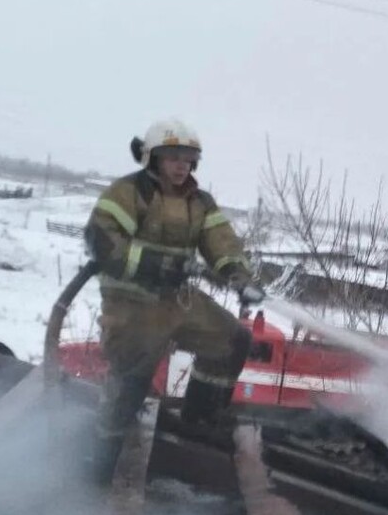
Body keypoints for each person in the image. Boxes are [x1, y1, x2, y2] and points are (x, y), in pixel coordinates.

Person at [84, 117, 264, 483]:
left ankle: (200, 421)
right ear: (152, 158)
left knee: (232, 340)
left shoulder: (200, 203)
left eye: (188, 158)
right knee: (132, 380)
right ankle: (98, 464)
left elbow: (222, 243)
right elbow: (100, 240)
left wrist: (239, 276)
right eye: (173, 157)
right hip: (131, 303)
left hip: (178, 301)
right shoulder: (129, 192)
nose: (182, 165)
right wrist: (156, 262)